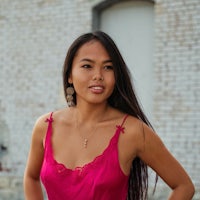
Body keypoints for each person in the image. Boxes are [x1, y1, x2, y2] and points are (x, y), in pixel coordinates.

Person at [23, 31, 195, 200]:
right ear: (69, 75)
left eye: (108, 67)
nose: (98, 76)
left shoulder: (133, 132)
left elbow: (184, 186)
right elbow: (31, 177)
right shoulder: (46, 125)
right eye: (87, 66)